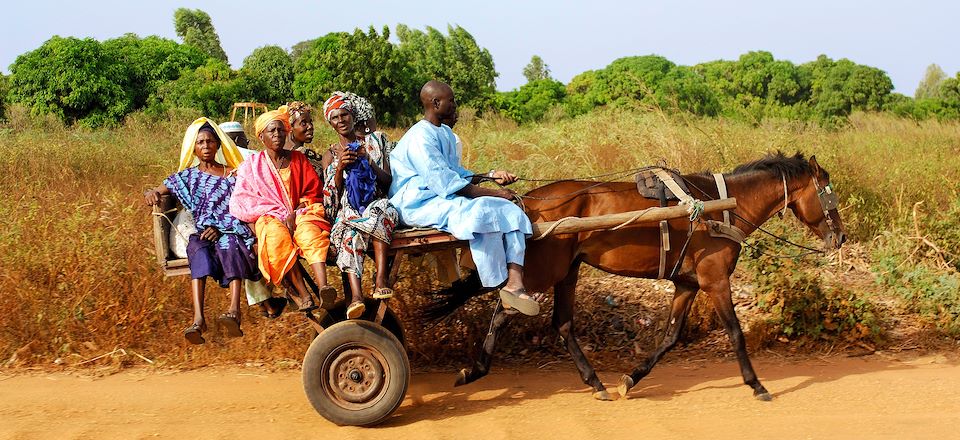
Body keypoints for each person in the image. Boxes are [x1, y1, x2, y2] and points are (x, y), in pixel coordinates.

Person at [389, 81, 540, 315]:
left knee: (509, 209)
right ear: (436, 103)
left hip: (441, 198)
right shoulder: (420, 137)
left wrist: (491, 177)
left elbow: (457, 175)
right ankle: (498, 278)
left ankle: (514, 283)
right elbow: (446, 183)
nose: (455, 104)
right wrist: (496, 193)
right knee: (483, 210)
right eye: (452, 100)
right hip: (417, 203)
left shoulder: (445, 133)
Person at [144, 118, 263, 344]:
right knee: (196, 247)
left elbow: (242, 205)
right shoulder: (189, 176)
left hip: (231, 228)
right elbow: (161, 187)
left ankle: (234, 311)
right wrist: (150, 192)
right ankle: (199, 319)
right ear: (194, 149)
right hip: (204, 231)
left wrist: (221, 228)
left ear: (218, 145)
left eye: (210, 141)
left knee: (229, 245)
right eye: (200, 142)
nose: (206, 146)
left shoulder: (232, 174)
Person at [229, 106, 337, 312]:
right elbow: (243, 201)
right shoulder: (251, 165)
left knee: (308, 231)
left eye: (280, 130)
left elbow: (313, 192)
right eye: (272, 131)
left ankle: (324, 287)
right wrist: (276, 218)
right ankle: (302, 293)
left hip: (301, 212)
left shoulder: (298, 159)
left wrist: (296, 212)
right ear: (261, 136)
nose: (277, 134)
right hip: (268, 217)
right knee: (275, 236)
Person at [320, 92, 399, 319]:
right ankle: (356, 296)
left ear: (353, 115)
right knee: (348, 231)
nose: (341, 120)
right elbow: (331, 202)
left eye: (344, 114)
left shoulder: (376, 141)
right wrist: (339, 169)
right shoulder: (331, 154)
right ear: (330, 123)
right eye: (335, 118)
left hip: (376, 201)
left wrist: (368, 162)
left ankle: (380, 279)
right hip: (348, 209)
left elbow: (387, 182)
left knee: (380, 211)